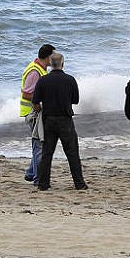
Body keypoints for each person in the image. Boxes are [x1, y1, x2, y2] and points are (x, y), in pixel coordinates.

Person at [32, 52, 87, 191]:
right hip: (65, 120)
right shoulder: (70, 80)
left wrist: (40, 111)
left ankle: (43, 184)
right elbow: (75, 100)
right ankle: (79, 184)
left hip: (49, 120)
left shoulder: (43, 80)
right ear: (62, 63)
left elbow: (35, 102)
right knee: (72, 153)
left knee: (47, 154)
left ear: (51, 65)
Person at [20, 44, 55, 186]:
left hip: (36, 112)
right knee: (39, 145)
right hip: (33, 113)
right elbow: (27, 93)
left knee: (39, 144)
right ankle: (37, 177)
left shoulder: (41, 69)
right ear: (48, 57)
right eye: (52, 56)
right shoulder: (35, 71)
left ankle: (31, 172)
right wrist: (39, 103)